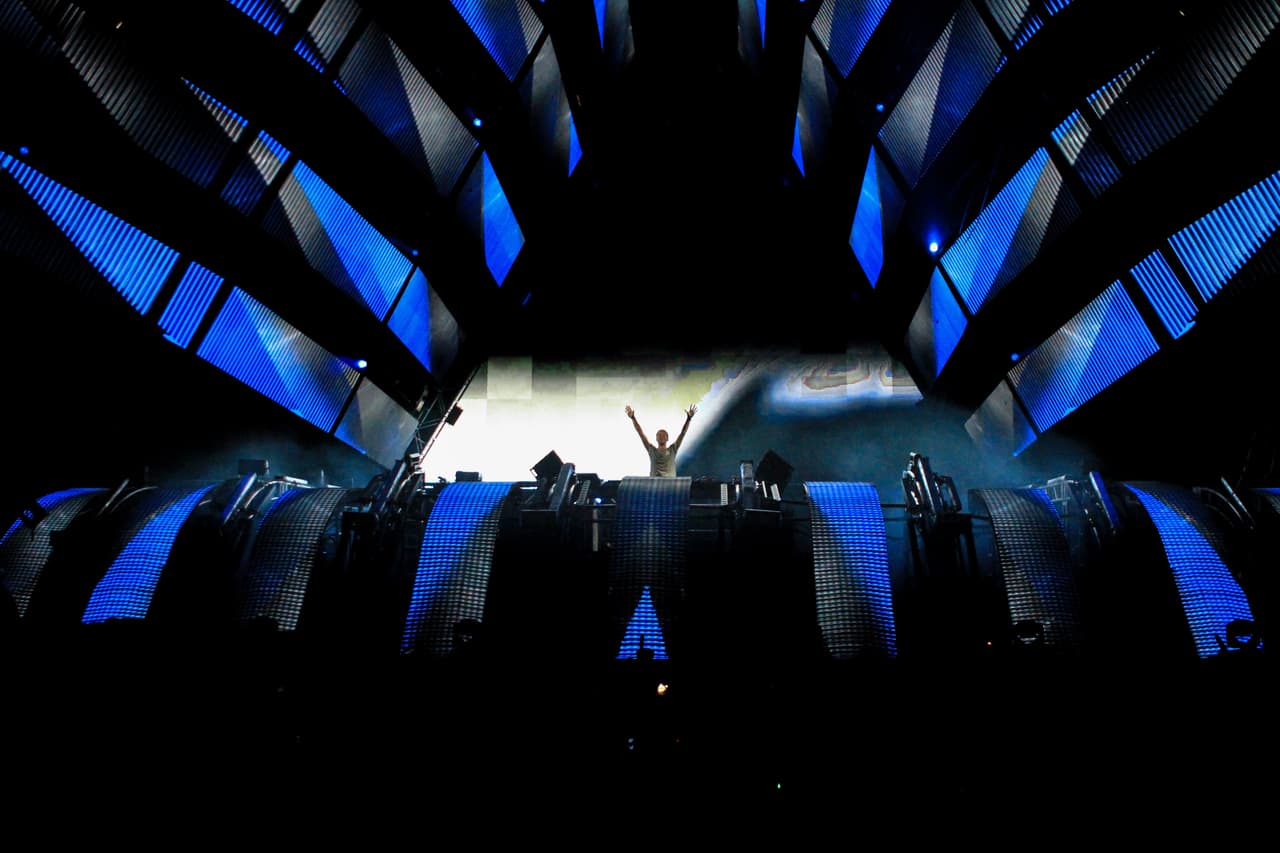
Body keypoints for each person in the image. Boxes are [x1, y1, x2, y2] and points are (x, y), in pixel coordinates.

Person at [625, 404, 696, 477]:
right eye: (659, 435)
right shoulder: (652, 450)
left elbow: (683, 433)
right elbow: (640, 433)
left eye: (664, 435)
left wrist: (688, 419)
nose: (661, 436)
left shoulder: (673, 449)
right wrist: (633, 418)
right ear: (656, 438)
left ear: (667, 438)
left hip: (670, 482)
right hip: (655, 482)